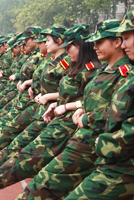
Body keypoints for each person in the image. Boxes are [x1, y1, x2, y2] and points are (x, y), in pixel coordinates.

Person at [16, 19, 132, 200]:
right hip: (91, 143)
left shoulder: (120, 73)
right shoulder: (106, 70)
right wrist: (77, 107)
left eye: (100, 42)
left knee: (43, 182)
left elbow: (115, 114)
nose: (95, 47)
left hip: (107, 152)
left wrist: (85, 118)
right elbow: (93, 100)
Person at [64, 11, 134, 200]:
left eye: (127, 38)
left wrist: (105, 142)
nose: (125, 43)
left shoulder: (124, 72)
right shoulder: (118, 71)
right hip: (111, 155)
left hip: (119, 161)